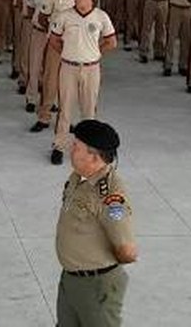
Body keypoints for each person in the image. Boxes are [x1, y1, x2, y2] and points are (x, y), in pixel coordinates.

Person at [56, 119, 137, 327]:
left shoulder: (110, 195)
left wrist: (102, 270)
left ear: (93, 156)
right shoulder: (78, 177)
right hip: (71, 280)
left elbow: (127, 250)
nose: (70, 149)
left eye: (76, 146)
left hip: (96, 286)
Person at [49, 0, 117, 165]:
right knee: (65, 109)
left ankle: (88, 147)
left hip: (91, 68)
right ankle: (59, 146)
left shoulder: (101, 17)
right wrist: (66, 53)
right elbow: (54, 40)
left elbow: (111, 41)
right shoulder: (64, 16)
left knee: (89, 110)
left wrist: (95, 53)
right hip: (68, 67)